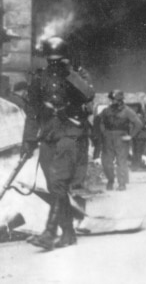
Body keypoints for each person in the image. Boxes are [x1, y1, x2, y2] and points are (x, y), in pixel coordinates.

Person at [20, 37, 95, 250]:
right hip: (49, 136)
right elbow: (32, 113)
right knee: (54, 187)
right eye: (51, 59)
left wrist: (69, 73)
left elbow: (88, 94)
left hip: (71, 134)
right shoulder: (39, 78)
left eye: (58, 59)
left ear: (65, 57)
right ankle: (68, 233)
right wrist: (28, 140)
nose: (54, 63)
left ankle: (50, 232)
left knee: (59, 182)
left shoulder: (77, 75)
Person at [98, 89, 144, 191]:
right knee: (106, 162)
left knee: (121, 162)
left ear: (119, 100)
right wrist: (103, 132)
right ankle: (110, 180)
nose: (111, 102)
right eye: (110, 99)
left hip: (121, 138)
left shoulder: (127, 111)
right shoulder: (106, 111)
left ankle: (122, 183)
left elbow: (139, 124)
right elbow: (99, 121)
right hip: (108, 138)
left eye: (113, 100)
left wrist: (131, 136)